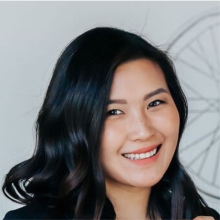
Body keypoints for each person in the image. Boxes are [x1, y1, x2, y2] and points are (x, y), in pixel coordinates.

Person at [2, 27, 219, 220]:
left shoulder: (202, 217)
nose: (143, 131)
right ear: (74, 125)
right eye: (114, 112)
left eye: (155, 103)